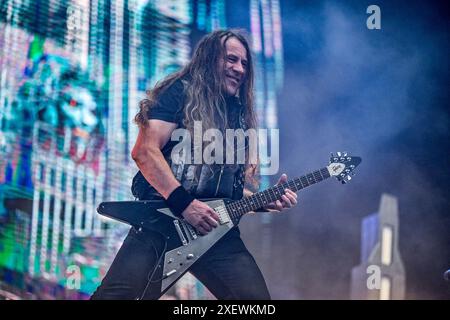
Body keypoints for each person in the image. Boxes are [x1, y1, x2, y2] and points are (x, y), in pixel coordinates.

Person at [91, 29, 297, 300]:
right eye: (231, 59)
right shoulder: (178, 92)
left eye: (244, 64)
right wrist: (185, 205)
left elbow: (217, 191)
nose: (239, 69)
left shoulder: (235, 114)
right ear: (210, 59)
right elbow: (144, 152)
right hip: (162, 223)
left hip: (216, 232)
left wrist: (262, 200)